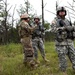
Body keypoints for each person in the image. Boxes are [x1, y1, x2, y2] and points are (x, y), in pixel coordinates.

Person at [51, 6, 75, 74]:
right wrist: (63, 28)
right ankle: (64, 72)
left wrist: (72, 28)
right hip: (60, 43)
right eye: (61, 12)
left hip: (70, 42)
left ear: (65, 12)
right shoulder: (55, 21)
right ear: (58, 13)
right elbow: (53, 30)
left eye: (63, 12)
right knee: (63, 59)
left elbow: (72, 28)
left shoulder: (67, 21)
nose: (62, 13)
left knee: (73, 56)